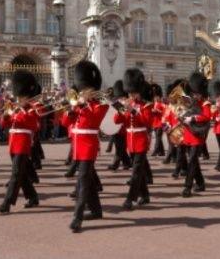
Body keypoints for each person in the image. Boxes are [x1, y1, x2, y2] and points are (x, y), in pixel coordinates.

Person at [61, 61, 109, 233]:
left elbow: (95, 120)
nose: (82, 92)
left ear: (92, 89)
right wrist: (72, 109)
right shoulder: (78, 104)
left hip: (89, 145)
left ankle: (78, 217)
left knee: (82, 180)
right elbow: (65, 122)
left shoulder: (100, 104)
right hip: (78, 145)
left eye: (85, 90)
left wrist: (84, 104)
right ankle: (96, 211)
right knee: (86, 179)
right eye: (82, 90)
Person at [0, 70, 40, 214]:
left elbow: (33, 125)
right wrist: (6, 116)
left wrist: (18, 112)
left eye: (22, 97)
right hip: (13, 143)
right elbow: (4, 124)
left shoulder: (33, 109)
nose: (19, 98)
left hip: (23, 143)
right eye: (19, 96)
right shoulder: (15, 108)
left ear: (28, 96)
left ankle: (7, 203)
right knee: (23, 174)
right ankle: (33, 197)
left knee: (15, 174)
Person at [114, 69, 153, 210]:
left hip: (141, 141)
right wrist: (120, 109)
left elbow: (147, 121)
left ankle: (130, 199)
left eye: (133, 92)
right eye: (129, 92)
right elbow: (117, 121)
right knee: (140, 171)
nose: (130, 95)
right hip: (130, 142)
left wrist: (134, 111)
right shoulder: (127, 104)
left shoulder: (145, 106)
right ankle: (146, 195)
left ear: (139, 91)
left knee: (136, 172)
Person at [180, 72, 211, 197]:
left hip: (197, 135)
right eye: (194, 93)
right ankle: (200, 183)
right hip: (188, 133)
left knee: (192, 160)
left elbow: (207, 116)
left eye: (197, 93)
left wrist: (193, 119)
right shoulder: (189, 102)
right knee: (194, 162)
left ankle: (187, 187)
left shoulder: (205, 104)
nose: (195, 95)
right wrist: (181, 116)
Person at [107, 80, 131, 171]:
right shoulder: (117, 103)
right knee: (121, 148)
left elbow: (124, 116)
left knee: (119, 148)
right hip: (116, 129)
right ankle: (127, 163)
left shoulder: (124, 104)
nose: (120, 99)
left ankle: (115, 164)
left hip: (123, 130)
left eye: (121, 97)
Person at [151, 84, 166, 157]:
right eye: (155, 97)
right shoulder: (155, 104)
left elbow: (165, 112)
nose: (156, 98)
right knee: (159, 138)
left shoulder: (162, 104)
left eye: (157, 97)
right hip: (155, 123)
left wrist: (158, 111)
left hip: (160, 123)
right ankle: (162, 152)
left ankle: (155, 151)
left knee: (158, 138)